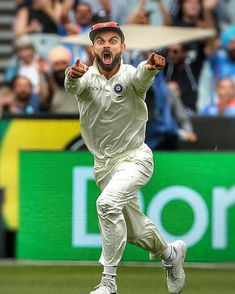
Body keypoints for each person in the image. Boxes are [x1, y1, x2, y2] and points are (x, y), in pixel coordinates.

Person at [64, 22, 187, 294]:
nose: (106, 45)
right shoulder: (85, 79)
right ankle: (170, 254)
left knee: (106, 204)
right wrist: (72, 75)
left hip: (135, 159)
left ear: (122, 47)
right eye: (100, 41)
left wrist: (152, 66)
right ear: (93, 48)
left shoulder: (132, 75)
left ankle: (109, 282)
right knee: (137, 233)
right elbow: (71, 84)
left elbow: (143, 75)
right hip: (104, 167)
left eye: (112, 40)